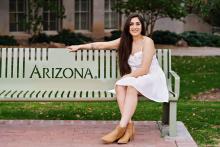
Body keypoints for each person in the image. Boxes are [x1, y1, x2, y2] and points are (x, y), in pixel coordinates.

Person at [67, 14, 169, 144]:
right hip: (135, 78)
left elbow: (144, 69)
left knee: (131, 86)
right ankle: (129, 127)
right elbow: (101, 45)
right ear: (127, 27)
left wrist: (128, 76)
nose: (134, 27)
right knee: (120, 85)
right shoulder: (124, 41)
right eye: (131, 24)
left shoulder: (147, 41)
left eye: (137, 24)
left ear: (142, 26)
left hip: (151, 77)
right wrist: (80, 47)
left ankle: (120, 128)